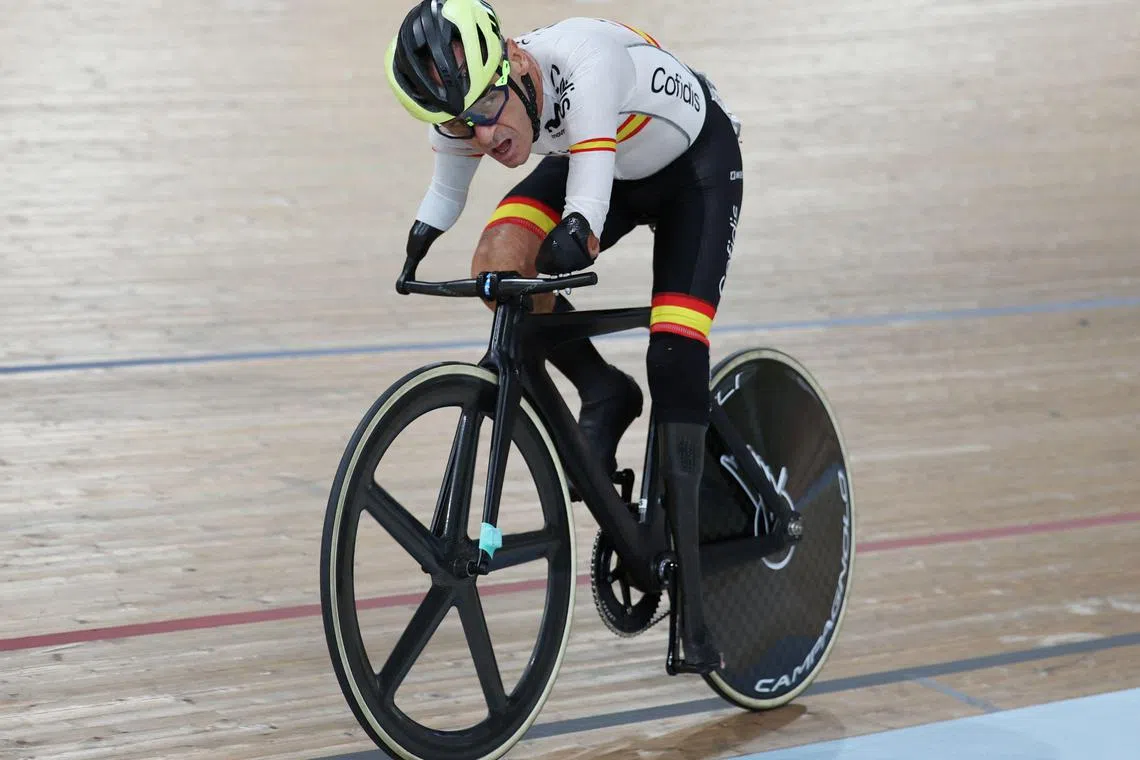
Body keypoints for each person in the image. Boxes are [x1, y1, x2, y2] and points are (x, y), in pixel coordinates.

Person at [386, 0, 742, 674]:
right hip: (604, 160)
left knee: (674, 350)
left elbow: (589, 197)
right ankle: (602, 390)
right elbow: (446, 192)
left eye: (486, 108)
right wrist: (416, 247)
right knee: (500, 265)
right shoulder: (474, 108)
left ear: (516, 62)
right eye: (460, 123)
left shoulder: (586, 62)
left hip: (693, 170)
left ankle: (694, 606)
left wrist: (578, 234)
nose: (483, 136)